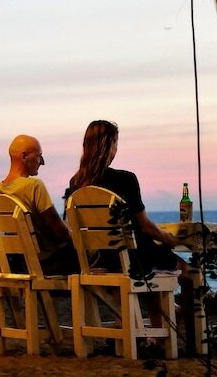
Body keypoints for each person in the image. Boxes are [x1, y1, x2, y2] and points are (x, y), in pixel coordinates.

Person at [65, 119, 196, 353]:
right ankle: (193, 339)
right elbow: (146, 227)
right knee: (190, 273)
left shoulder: (76, 183)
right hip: (133, 259)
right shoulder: (125, 179)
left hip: (102, 261)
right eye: (116, 143)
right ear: (110, 145)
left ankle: (159, 333)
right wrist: (170, 239)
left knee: (153, 264)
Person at [0, 134, 78, 276]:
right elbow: (60, 233)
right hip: (49, 263)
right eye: (39, 156)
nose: (42, 162)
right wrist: (72, 232)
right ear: (24, 156)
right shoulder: (34, 186)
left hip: (23, 264)